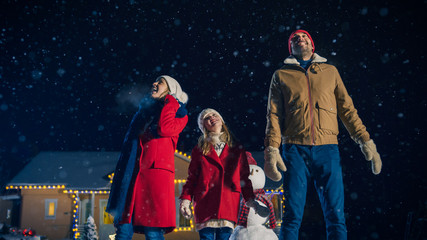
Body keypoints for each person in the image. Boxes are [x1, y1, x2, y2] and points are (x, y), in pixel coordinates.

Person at [263, 29, 382, 240]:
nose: (300, 39)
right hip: (294, 149)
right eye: (295, 39)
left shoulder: (330, 72)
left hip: (328, 149)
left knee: (335, 214)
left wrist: (365, 141)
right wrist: (271, 150)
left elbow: (347, 109)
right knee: (292, 215)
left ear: (312, 45)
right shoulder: (281, 76)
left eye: (304, 37)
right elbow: (273, 115)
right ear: (290, 48)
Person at [106, 75, 189, 240]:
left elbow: (165, 129)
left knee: (153, 230)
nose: (154, 83)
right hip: (132, 175)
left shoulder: (179, 114)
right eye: (155, 81)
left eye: (160, 82)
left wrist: (171, 101)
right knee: (123, 229)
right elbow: (129, 143)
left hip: (154, 176)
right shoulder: (144, 113)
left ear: (171, 89)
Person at [179, 108, 261, 240]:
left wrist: (250, 200)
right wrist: (186, 200)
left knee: (225, 237)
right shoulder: (199, 149)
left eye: (214, 114)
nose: (211, 117)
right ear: (204, 126)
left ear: (221, 120)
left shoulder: (236, 147)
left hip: (228, 204)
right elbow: (192, 178)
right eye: (206, 117)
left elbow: (244, 177)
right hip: (205, 203)